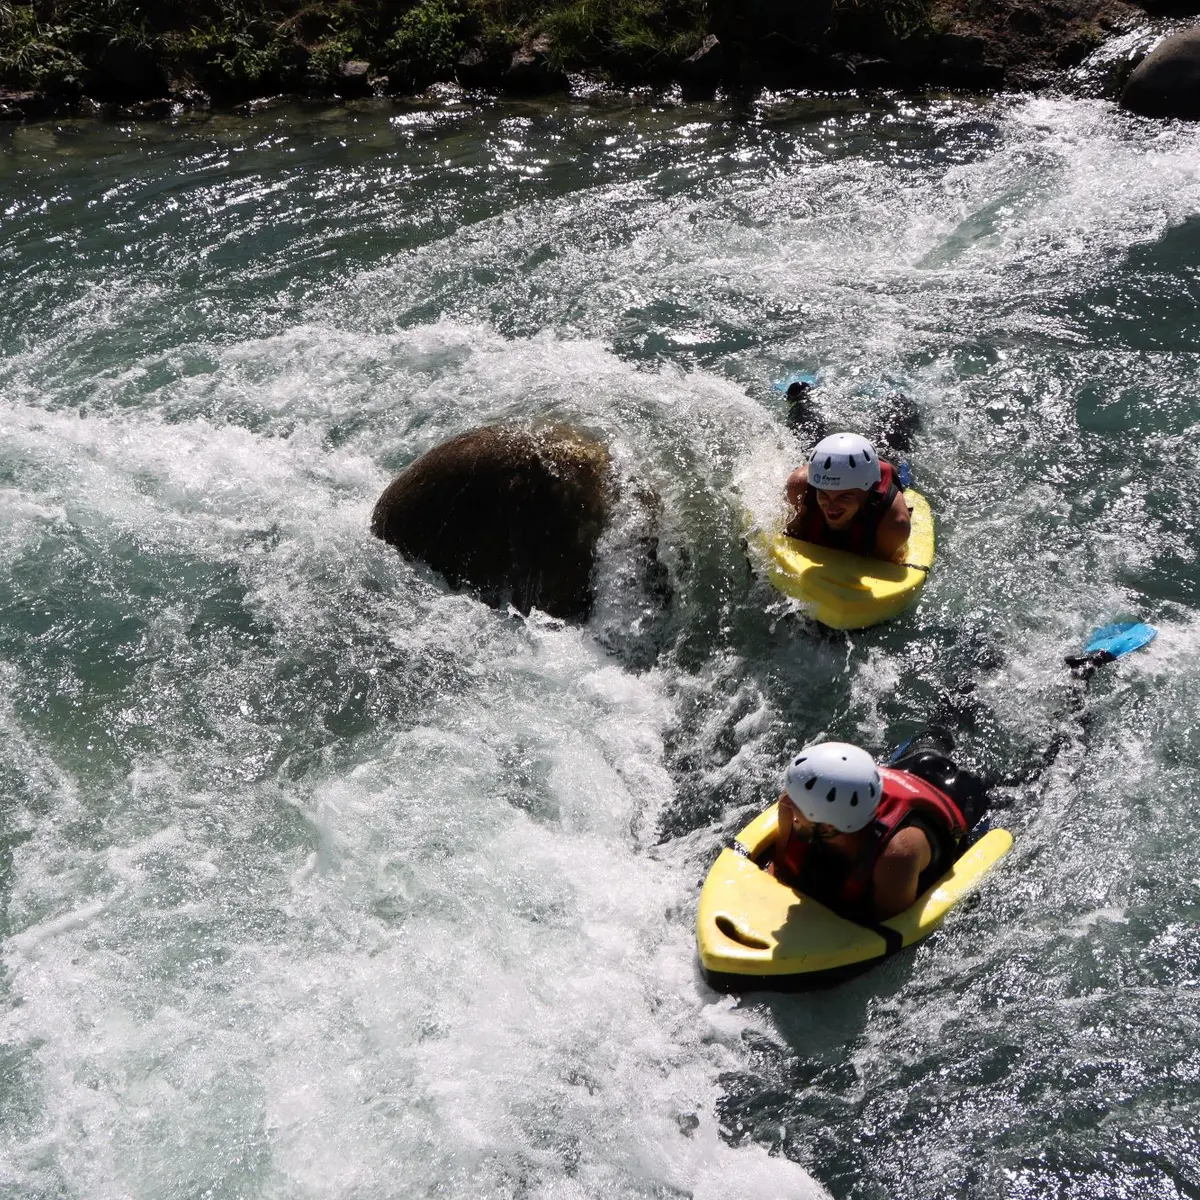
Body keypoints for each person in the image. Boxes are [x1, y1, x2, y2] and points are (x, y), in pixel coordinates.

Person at [769, 733, 991, 922]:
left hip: (964, 797)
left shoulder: (898, 854)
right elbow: (782, 871)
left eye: (796, 801)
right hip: (907, 765)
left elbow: (889, 927)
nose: (786, 801)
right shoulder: (790, 807)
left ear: (827, 825)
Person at [784, 431, 912, 563]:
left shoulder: (895, 524)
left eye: (844, 497)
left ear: (865, 492)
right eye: (824, 494)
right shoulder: (798, 488)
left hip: (884, 468)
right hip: (852, 468)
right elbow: (789, 537)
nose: (831, 507)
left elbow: (881, 567)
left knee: (897, 436)